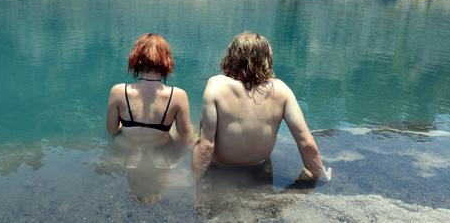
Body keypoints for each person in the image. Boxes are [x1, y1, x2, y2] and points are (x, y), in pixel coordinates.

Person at [192, 32, 330, 182]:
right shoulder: (281, 90)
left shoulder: (217, 86)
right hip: (258, 167)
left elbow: (206, 145)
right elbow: (305, 141)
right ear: (266, 59)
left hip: (222, 167)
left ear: (232, 57)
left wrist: (194, 182)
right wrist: (319, 174)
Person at [106, 33, 193, 145]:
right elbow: (185, 137)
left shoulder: (118, 91)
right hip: (160, 157)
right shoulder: (178, 95)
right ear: (166, 60)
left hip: (125, 153)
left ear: (136, 59)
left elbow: (112, 130)